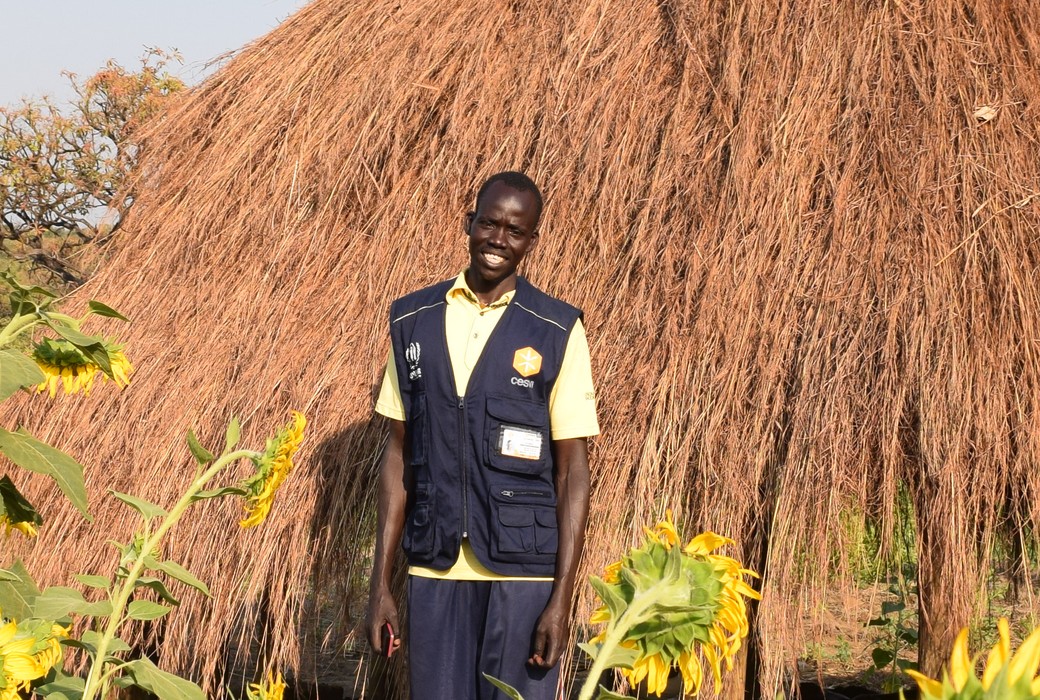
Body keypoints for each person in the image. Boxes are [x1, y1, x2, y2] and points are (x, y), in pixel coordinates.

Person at [366, 171, 599, 700]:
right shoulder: (413, 320)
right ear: (468, 222)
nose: (498, 239)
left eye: (515, 230)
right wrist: (381, 581)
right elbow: (398, 456)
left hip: (524, 577)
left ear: (531, 241)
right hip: (435, 567)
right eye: (489, 223)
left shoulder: (557, 330)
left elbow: (572, 472)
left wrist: (561, 595)